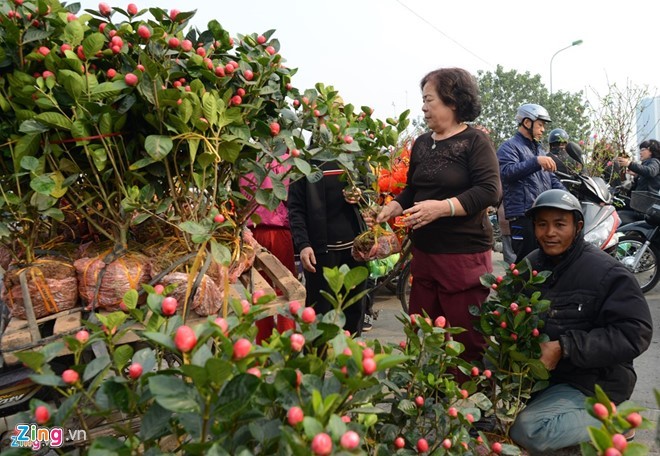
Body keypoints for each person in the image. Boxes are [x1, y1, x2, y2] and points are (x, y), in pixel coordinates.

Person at [374, 67, 501, 366]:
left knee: (464, 338)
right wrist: (394, 206)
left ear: (453, 102)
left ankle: (467, 402)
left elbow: (489, 191)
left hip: (463, 257)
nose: (423, 107)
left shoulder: (474, 142)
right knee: (424, 331)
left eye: (429, 99)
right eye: (423, 99)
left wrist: (441, 208)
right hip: (425, 255)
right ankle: (428, 396)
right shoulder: (421, 143)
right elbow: (414, 189)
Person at [510, 189, 653, 454]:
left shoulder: (607, 272)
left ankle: (618, 419)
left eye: (559, 224)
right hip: (549, 378)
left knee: (528, 430)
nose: (549, 232)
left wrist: (565, 347)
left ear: (577, 227)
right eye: (542, 224)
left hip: (596, 381)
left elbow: (636, 333)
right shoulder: (531, 265)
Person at [288, 161, 367, 335]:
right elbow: (296, 209)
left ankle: (349, 358)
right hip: (320, 254)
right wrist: (303, 244)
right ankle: (319, 359)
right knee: (319, 318)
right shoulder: (305, 163)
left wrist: (361, 197)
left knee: (353, 314)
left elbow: (370, 195)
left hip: (355, 252)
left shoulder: (353, 158)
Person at [497, 103, 565, 262]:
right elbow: (506, 173)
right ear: (527, 123)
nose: (543, 130)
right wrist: (536, 162)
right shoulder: (509, 147)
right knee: (525, 263)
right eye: (540, 125)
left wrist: (566, 196)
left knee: (544, 261)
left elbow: (551, 179)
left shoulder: (539, 150)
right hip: (522, 216)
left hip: (541, 214)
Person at [616, 139, 660, 225]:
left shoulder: (654, 161)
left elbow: (650, 172)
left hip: (645, 206)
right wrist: (637, 175)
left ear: (650, 151)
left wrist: (630, 164)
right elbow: (648, 178)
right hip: (641, 205)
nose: (640, 153)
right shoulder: (647, 162)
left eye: (643, 150)